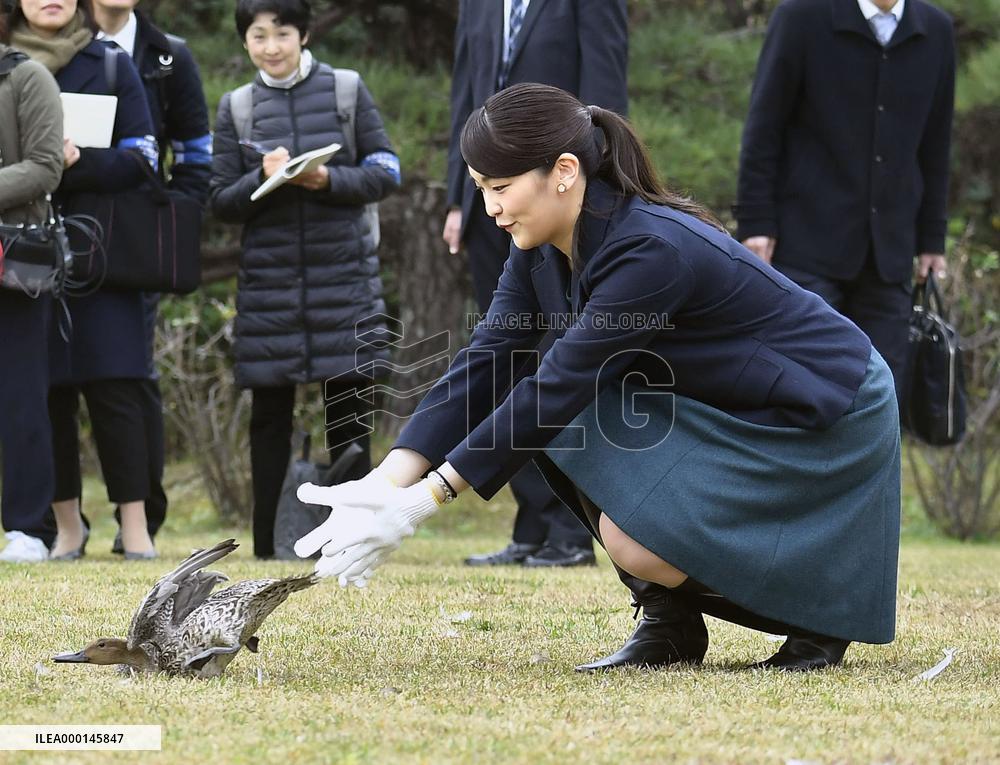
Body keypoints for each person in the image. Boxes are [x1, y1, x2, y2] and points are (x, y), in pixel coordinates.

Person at [294, 84, 903, 673]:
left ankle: (818, 616)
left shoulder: (652, 249)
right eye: (481, 190)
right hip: (724, 399)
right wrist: (387, 478)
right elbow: (491, 355)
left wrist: (424, 501)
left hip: (826, 405)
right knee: (582, 463)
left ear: (563, 170)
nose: (491, 210)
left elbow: (560, 386)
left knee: (562, 414)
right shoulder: (537, 243)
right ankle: (669, 623)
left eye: (501, 188)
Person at [210, 0, 401, 559]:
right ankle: (268, 543)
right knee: (268, 414)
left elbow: (387, 169)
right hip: (269, 285)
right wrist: (261, 177)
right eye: (258, 35)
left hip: (343, 276)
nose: (271, 47)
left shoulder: (346, 90)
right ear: (245, 41)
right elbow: (220, 200)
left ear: (304, 34)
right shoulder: (238, 106)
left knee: (348, 407)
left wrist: (326, 179)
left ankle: (353, 542)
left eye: (282, 33)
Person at [444, 0, 629, 570]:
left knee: (561, 364)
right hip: (489, 207)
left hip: (561, 199)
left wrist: (593, 195)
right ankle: (530, 525)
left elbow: (602, 91)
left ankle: (572, 531)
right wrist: (460, 196)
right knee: (505, 361)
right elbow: (464, 96)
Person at [735, 0, 955, 397]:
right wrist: (755, 221)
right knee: (801, 391)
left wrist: (931, 239)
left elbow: (936, 145)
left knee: (882, 399)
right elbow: (763, 128)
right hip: (804, 245)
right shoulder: (801, 17)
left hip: (889, 254)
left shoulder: (936, 30)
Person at [10, 0, 161, 559]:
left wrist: (80, 162)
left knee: (117, 387)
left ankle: (136, 524)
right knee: (43, 391)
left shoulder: (111, 62)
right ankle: (66, 526)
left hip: (104, 252)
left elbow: (146, 154)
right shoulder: (8, 65)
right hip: (22, 255)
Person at [92, 0, 212, 554]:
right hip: (61, 226)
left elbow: (194, 153)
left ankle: (141, 520)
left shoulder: (171, 56)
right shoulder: (57, 45)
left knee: (131, 374)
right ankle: (49, 523)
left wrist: (175, 215)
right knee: (51, 379)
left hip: (135, 241)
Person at [0, 8, 64, 563]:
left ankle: (27, 529)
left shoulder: (26, 77)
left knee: (21, 394)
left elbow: (45, 166)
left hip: (12, 259)